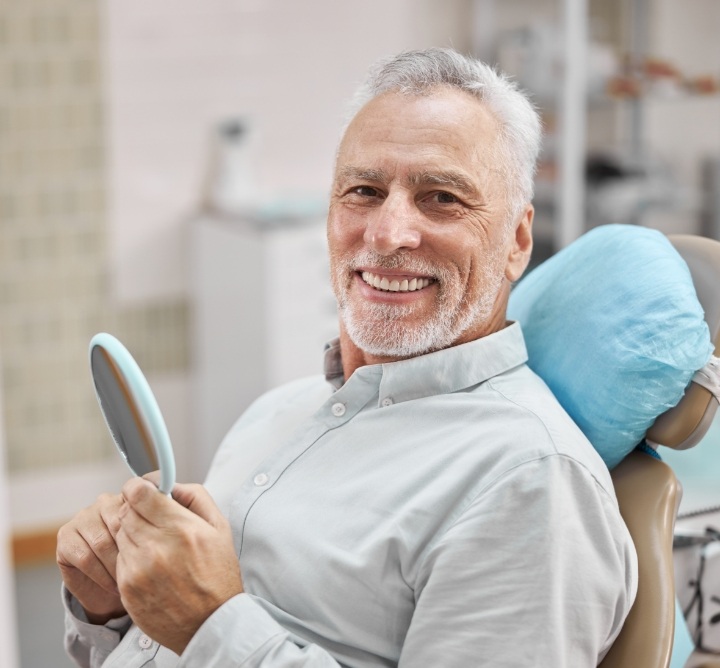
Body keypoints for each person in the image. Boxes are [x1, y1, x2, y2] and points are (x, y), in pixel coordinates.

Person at [57, 47, 637, 667]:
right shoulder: (275, 413)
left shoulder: (529, 482)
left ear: (518, 240)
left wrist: (212, 625)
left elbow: (205, 632)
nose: (387, 234)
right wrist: (111, 610)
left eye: (441, 198)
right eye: (363, 191)